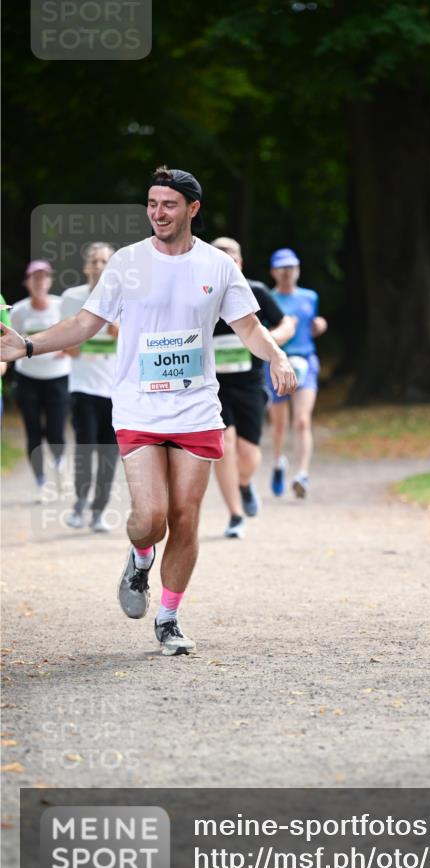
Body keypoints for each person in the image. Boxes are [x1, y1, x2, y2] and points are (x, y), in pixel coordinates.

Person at [0, 167, 296, 656]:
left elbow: (249, 328)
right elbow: (85, 322)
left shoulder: (218, 266)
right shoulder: (127, 262)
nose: (159, 212)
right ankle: (139, 559)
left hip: (197, 407)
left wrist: (278, 356)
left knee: (186, 517)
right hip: (139, 406)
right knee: (151, 517)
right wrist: (28, 346)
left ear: (192, 210)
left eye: (170, 205)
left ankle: (169, 618)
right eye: (153, 203)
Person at [210, 236, 295, 538]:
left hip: (250, 385)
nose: (225, 258)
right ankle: (234, 515)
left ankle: (244, 485)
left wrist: (270, 344)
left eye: (230, 254)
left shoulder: (255, 291)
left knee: (249, 456)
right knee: (223, 445)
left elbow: (287, 324)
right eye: (218, 254)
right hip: (214, 387)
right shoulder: (201, 296)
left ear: (240, 262)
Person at [60, 242, 120, 532]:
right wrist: (81, 336)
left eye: (105, 261)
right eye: (95, 261)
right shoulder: (72, 299)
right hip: (82, 385)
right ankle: (79, 505)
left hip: (115, 389)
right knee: (85, 448)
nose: (99, 266)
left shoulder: (124, 297)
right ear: (86, 266)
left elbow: (133, 344)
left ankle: (99, 511)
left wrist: (118, 332)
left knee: (109, 453)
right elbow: (66, 348)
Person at [266, 248, 327, 499]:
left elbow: (311, 326)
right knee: (280, 423)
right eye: (282, 267)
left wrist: (319, 326)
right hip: (278, 362)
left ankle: (302, 474)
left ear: (298, 269)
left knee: (302, 421)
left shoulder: (310, 297)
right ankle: (280, 462)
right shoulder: (266, 298)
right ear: (273, 271)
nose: (288, 272)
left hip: (306, 361)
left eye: (292, 267)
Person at [9, 261, 71, 499]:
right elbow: (10, 345)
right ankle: (41, 483)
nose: (39, 282)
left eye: (44, 277)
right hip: (28, 380)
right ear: (27, 283)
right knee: (34, 433)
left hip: (58, 378)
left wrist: (67, 347)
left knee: (56, 432)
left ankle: (59, 470)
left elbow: (76, 336)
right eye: (35, 278)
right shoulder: (20, 311)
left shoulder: (61, 306)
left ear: (50, 281)